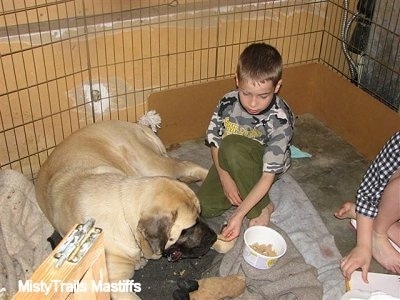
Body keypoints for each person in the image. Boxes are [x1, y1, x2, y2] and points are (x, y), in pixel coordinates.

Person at [197, 43, 294, 242]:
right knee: (204, 207)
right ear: (237, 81)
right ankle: (246, 190)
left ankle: (263, 206)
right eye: (246, 93)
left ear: (277, 87)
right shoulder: (227, 102)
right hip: (232, 158)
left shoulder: (280, 119)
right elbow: (214, 142)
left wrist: (239, 214)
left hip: (264, 167)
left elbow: (267, 177)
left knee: (232, 146)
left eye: (263, 96)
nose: (253, 103)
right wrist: (226, 180)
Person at [334, 130, 400, 282]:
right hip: (385, 194)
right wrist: (364, 245)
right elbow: (370, 191)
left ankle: (383, 220)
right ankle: (379, 232)